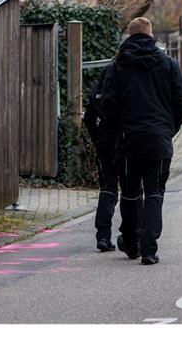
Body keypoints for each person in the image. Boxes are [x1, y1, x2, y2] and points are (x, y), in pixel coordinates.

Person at [99, 16, 182, 265]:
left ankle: (131, 243)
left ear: (128, 37)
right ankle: (149, 249)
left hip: (128, 141)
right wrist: (168, 129)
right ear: (151, 37)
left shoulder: (117, 66)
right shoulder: (168, 64)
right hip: (158, 140)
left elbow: (107, 103)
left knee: (129, 194)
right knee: (154, 193)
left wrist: (118, 131)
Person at [82, 64, 122, 252]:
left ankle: (103, 235)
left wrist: (97, 138)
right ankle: (131, 233)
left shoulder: (100, 87)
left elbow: (89, 117)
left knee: (108, 188)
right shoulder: (126, 84)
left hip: (105, 142)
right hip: (124, 141)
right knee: (132, 189)